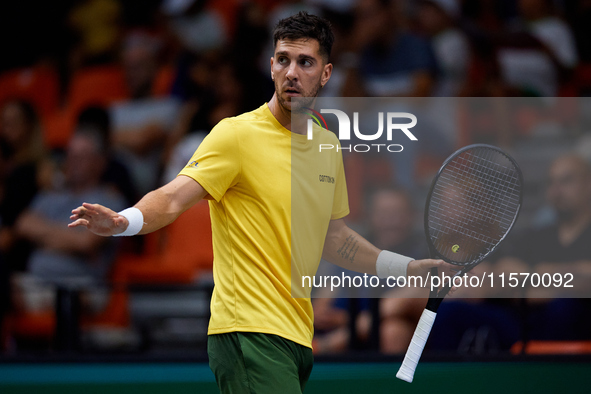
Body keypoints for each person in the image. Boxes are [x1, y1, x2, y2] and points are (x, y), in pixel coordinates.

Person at [69, 12, 453, 393]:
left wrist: (405, 267)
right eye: (283, 60)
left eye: (305, 62)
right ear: (271, 66)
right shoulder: (235, 135)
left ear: (326, 74)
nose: (292, 72)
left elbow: (333, 239)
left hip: (296, 336)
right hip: (248, 333)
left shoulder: (326, 145)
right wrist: (125, 221)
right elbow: (172, 197)